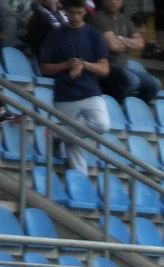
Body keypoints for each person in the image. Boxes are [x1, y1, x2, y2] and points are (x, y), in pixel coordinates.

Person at [39, 0, 111, 177]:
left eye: (79, 12)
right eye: (72, 13)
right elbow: (44, 68)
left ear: (84, 12)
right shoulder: (56, 36)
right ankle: (81, 177)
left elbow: (104, 69)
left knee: (102, 124)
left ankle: (57, 134)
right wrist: (66, 65)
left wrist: (84, 64)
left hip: (90, 92)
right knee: (73, 142)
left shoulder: (93, 35)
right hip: (65, 95)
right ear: (66, 12)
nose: (75, 16)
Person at [91, 0, 163, 102]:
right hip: (106, 67)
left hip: (123, 67)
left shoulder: (124, 18)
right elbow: (113, 46)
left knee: (154, 84)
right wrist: (129, 42)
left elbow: (140, 44)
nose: (113, 1)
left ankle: (135, 107)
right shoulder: (97, 18)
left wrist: (120, 38)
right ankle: (117, 106)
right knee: (133, 81)